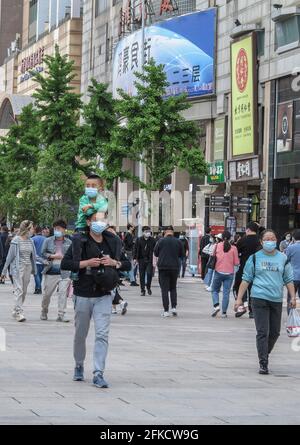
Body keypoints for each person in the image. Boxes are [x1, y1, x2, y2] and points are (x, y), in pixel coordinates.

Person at [61, 212, 131, 388]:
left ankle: (98, 372)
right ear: (88, 222)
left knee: (102, 334)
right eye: (95, 220)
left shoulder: (113, 241)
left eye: (102, 220)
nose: (99, 223)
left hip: (104, 294)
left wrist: (114, 262)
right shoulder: (79, 240)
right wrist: (86, 263)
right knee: (80, 334)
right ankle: (78, 364)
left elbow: (126, 264)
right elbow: (65, 263)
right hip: (83, 293)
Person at [235, 229, 296, 375]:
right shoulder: (255, 258)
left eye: (273, 238)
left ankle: (264, 353)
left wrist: (293, 296)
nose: (271, 241)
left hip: (276, 299)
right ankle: (263, 362)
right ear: (261, 242)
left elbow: (288, 279)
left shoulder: (283, 258)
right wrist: (239, 299)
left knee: (275, 333)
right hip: (258, 298)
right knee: (263, 332)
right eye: (267, 239)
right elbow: (246, 279)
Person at [71, 174, 108, 281]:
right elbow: (87, 212)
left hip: (96, 227)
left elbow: (104, 207)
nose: (90, 188)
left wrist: (92, 206)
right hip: (82, 227)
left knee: (107, 241)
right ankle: (75, 270)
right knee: (77, 244)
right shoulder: (83, 199)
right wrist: (96, 208)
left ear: (100, 188)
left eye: (93, 185)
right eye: (87, 185)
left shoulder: (102, 199)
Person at [1, 220, 37, 322]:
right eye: (32, 228)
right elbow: (9, 257)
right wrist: (3, 272)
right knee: (19, 290)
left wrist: (44, 260)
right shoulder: (16, 240)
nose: (33, 229)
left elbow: (34, 255)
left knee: (24, 291)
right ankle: (18, 312)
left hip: (28, 267)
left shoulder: (31, 241)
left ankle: (15, 310)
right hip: (17, 268)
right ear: (27, 229)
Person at [40, 220, 72, 322]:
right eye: (55, 229)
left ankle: (61, 314)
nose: (56, 231)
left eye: (58, 229)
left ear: (64, 230)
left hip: (64, 272)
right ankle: (44, 311)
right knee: (47, 295)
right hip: (51, 271)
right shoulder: (48, 241)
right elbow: (43, 253)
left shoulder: (69, 242)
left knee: (63, 294)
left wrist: (65, 258)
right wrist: (52, 256)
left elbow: (72, 256)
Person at [233, 222, 261, 318]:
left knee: (241, 286)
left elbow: (237, 252)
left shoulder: (243, 240)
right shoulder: (260, 240)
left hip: (244, 268)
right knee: (253, 289)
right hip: (257, 268)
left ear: (248, 229)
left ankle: (242, 305)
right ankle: (252, 311)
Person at [154, 226, 183, 317]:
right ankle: (174, 307)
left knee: (164, 289)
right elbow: (181, 254)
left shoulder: (160, 241)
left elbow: (156, 253)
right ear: (172, 232)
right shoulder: (178, 241)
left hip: (163, 268)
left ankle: (166, 311)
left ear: (165, 232)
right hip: (175, 267)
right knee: (173, 288)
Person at [211, 231, 239, 318]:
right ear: (230, 238)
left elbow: (212, 256)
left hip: (218, 271)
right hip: (229, 273)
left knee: (214, 290)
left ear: (222, 237)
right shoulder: (234, 248)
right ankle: (224, 313)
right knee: (226, 293)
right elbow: (236, 263)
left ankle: (216, 306)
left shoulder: (217, 246)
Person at [107, 225, 128, 316]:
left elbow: (125, 262)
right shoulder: (117, 243)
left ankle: (120, 302)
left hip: (110, 271)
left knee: (110, 290)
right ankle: (114, 307)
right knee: (112, 290)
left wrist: (118, 264)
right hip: (113, 271)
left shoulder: (116, 244)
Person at [133, 226, 156, 296]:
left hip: (150, 260)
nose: (148, 233)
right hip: (141, 259)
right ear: (143, 232)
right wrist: (135, 258)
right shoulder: (139, 240)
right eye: (146, 232)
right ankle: (142, 290)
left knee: (149, 274)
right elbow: (135, 249)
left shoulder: (152, 240)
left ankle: (148, 287)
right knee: (142, 275)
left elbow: (155, 250)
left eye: (149, 232)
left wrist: (155, 259)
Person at [286, 229, 300, 314]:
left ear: (293, 237)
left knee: (291, 298)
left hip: (293, 276)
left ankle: (290, 318)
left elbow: (286, 260)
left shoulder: (290, 247)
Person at [32, 226, 46, 294]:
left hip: (35, 259)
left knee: (36, 274)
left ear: (35, 231)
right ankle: (37, 287)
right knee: (40, 275)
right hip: (43, 260)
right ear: (41, 231)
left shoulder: (33, 239)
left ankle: (38, 288)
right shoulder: (46, 239)